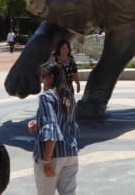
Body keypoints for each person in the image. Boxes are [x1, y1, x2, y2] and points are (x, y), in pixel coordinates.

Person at [28, 62, 79, 195]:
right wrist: (39, 123)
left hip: (53, 155)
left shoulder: (46, 97)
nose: (40, 80)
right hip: (70, 151)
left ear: (51, 77)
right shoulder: (68, 95)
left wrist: (46, 162)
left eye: (43, 76)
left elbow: (52, 130)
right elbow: (66, 123)